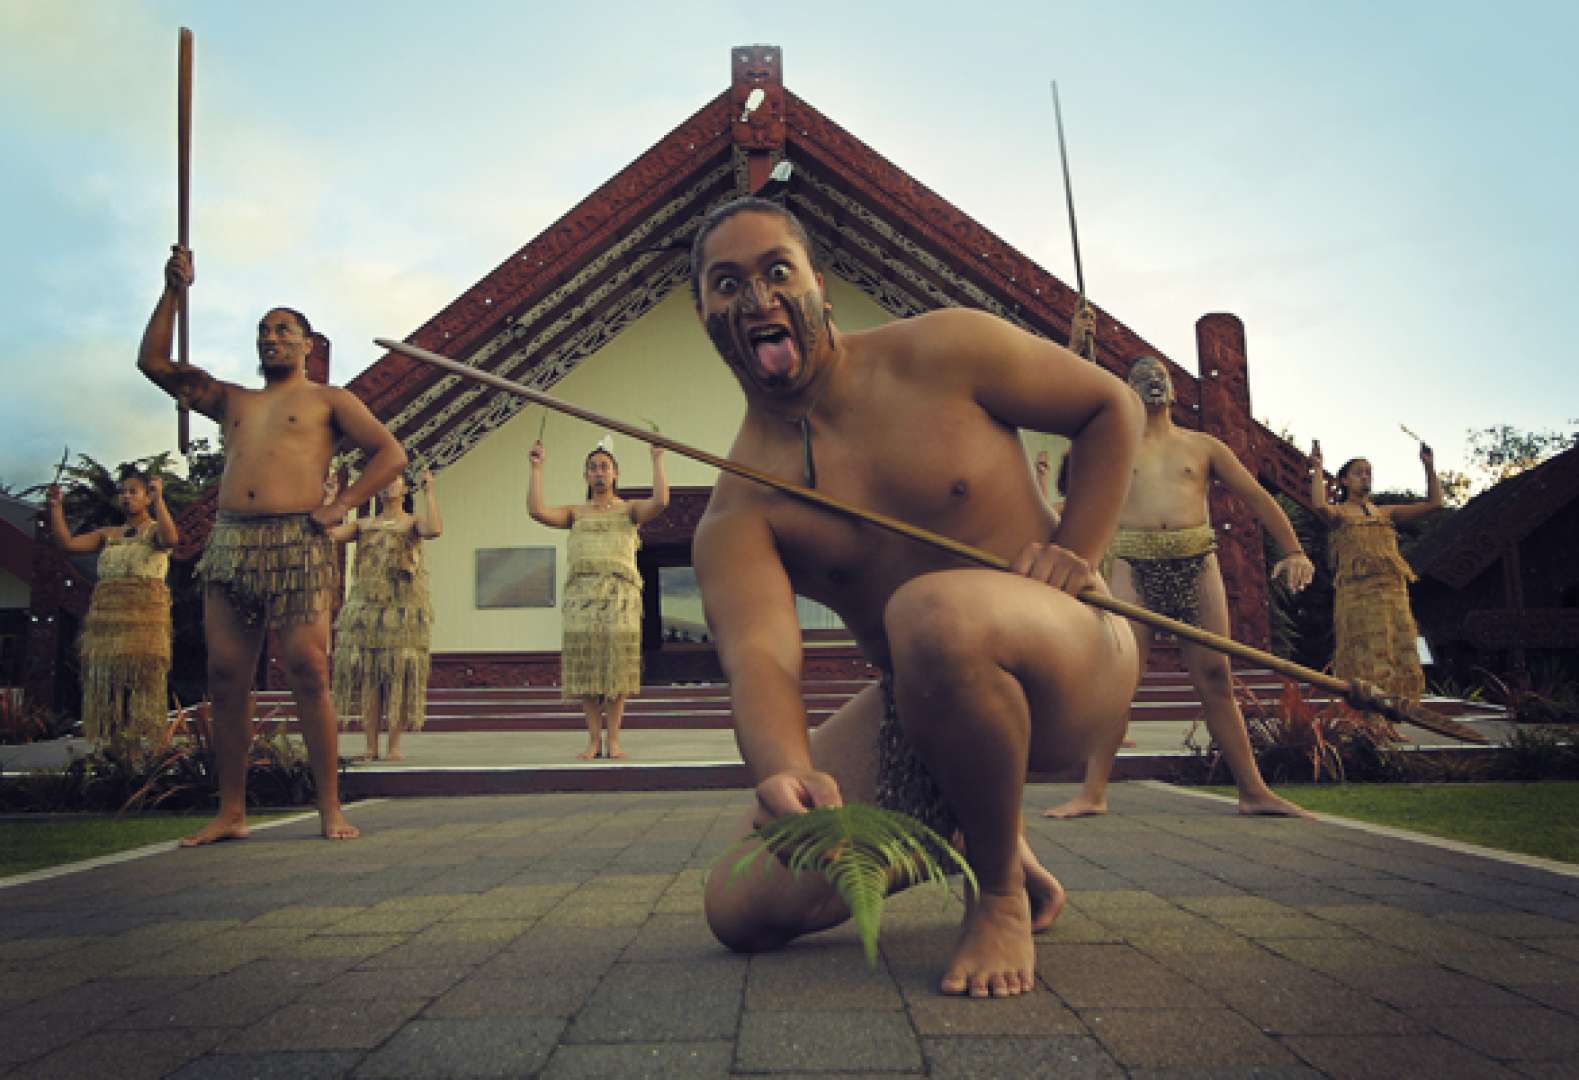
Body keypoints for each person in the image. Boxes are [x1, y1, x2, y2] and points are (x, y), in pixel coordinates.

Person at [692, 197, 1142, 999]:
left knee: (928, 614)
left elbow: (1110, 406)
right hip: (925, 701)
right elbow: (759, 655)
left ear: (818, 288)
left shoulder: (944, 347)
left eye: (775, 271)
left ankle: (997, 889)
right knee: (741, 906)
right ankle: (979, 820)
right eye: (726, 284)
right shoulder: (737, 509)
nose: (755, 298)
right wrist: (784, 767)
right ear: (704, 318)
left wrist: (1076, 552)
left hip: (1072, 652)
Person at [137, 244, 408, 843]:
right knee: (227, 676)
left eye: (283, 330)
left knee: (309, 669)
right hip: (233, 541)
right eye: (263, 331)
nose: (271, 338)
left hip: (298, 540)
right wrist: (172, 291)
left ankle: (330, 807)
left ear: (308, 344)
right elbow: (154, 362)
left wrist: (339, 504)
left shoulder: (330, 401)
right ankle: (232, 812)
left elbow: (391, 454)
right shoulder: (233, 400)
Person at [1045, 356, 1315, 820]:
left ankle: (1253, 790)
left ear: (1173, 391)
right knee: (1121, 680)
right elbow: (1076, 399)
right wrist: (1075, 344)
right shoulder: (1114, 445)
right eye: (1142, 378)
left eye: (1161, 377)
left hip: (1196, 561)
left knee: (1215, 678)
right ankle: (1093, 793)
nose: (1154, 382)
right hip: (1134, 564)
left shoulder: (1203, 446)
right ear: (1127, 389)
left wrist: (1294, 550)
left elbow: (1255, 495)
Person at [528, 438, 669, 760]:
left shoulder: (629, 510)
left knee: (616, 669)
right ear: (586, 477)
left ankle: (614, 738)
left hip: (619, 597)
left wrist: (657, 459)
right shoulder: (575, 513)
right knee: (587, 669)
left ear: (616, 473)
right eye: (593, 468)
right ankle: (593, 739)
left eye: (605, 466)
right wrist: (537, 468)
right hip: (582, 596)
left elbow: (660, 501)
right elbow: (537, 510)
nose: (599, 472)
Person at [46, 470, 178, 757]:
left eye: (133, 491)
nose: (126, 497)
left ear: (146, 496)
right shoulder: (108, 534)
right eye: (123, 492)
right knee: (111, 686)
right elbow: (67, 544)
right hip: (107, 622)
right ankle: (116, 751)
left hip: (144, 622)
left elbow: (171, 539)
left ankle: (142, 751)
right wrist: (56, 508)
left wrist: (160, 501)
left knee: (141, 685)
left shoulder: (154, 531)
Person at [1308, 439, 1441, 708]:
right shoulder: (1341, 514)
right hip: (1357, 592)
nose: (1365, 476)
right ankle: (1366, 714)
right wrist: (1318, 469)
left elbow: (1434, 503)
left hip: (1393, 590)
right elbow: (1319, 506)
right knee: (1363, 649)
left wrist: (1429, 466)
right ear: (1344, 481)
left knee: (1398, 645)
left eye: (1369, 472)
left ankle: (1399, 708)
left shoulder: (1386, 512)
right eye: (1359, 472)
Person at [327, 468, 441, 762]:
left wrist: (430, 492)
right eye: (384, 481)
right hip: (367, 610)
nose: (389, 485)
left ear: (404, 489)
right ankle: (369, 746)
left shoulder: (412, 523)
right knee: (370, 678)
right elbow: (329, 535)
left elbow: (435, 529)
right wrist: (330, 498)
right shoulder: (364, 525)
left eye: (394, 480)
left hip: (402, 609)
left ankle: (394, 746)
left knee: (399, 676)